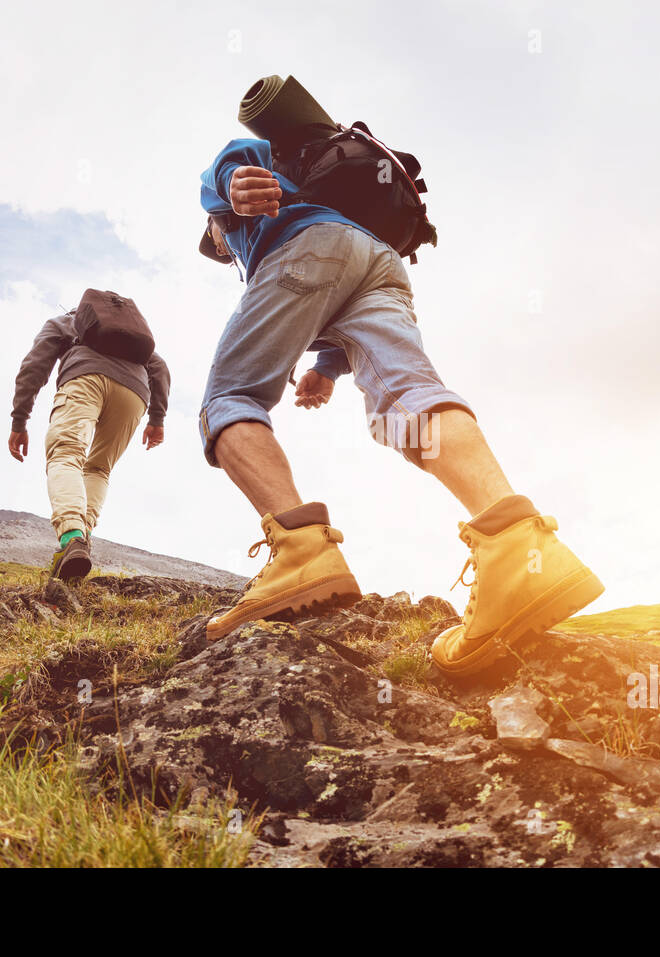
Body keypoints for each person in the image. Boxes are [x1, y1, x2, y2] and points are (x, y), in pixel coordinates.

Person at [197, 132, 604, 677]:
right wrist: (326, 369)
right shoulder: (333, 209)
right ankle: (515, 545)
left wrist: (229, 184)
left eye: (214, 240)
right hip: (380, 261)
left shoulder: (242, 219)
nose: (219, 247)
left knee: (231, 396)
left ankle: (302, 554)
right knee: (406, 397)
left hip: (308, 246)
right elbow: (336, 295)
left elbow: (231, 157)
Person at [8, 307, 170, 580]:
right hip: (134, 394)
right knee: (98, 469)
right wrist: (157, 419)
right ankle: (82, 539)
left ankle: (72, 538)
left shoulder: (65, 323)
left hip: (86, 379)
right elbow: (160, 368)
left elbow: (34, 366)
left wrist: (20, 420)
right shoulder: (130, 337)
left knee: (66, 454)